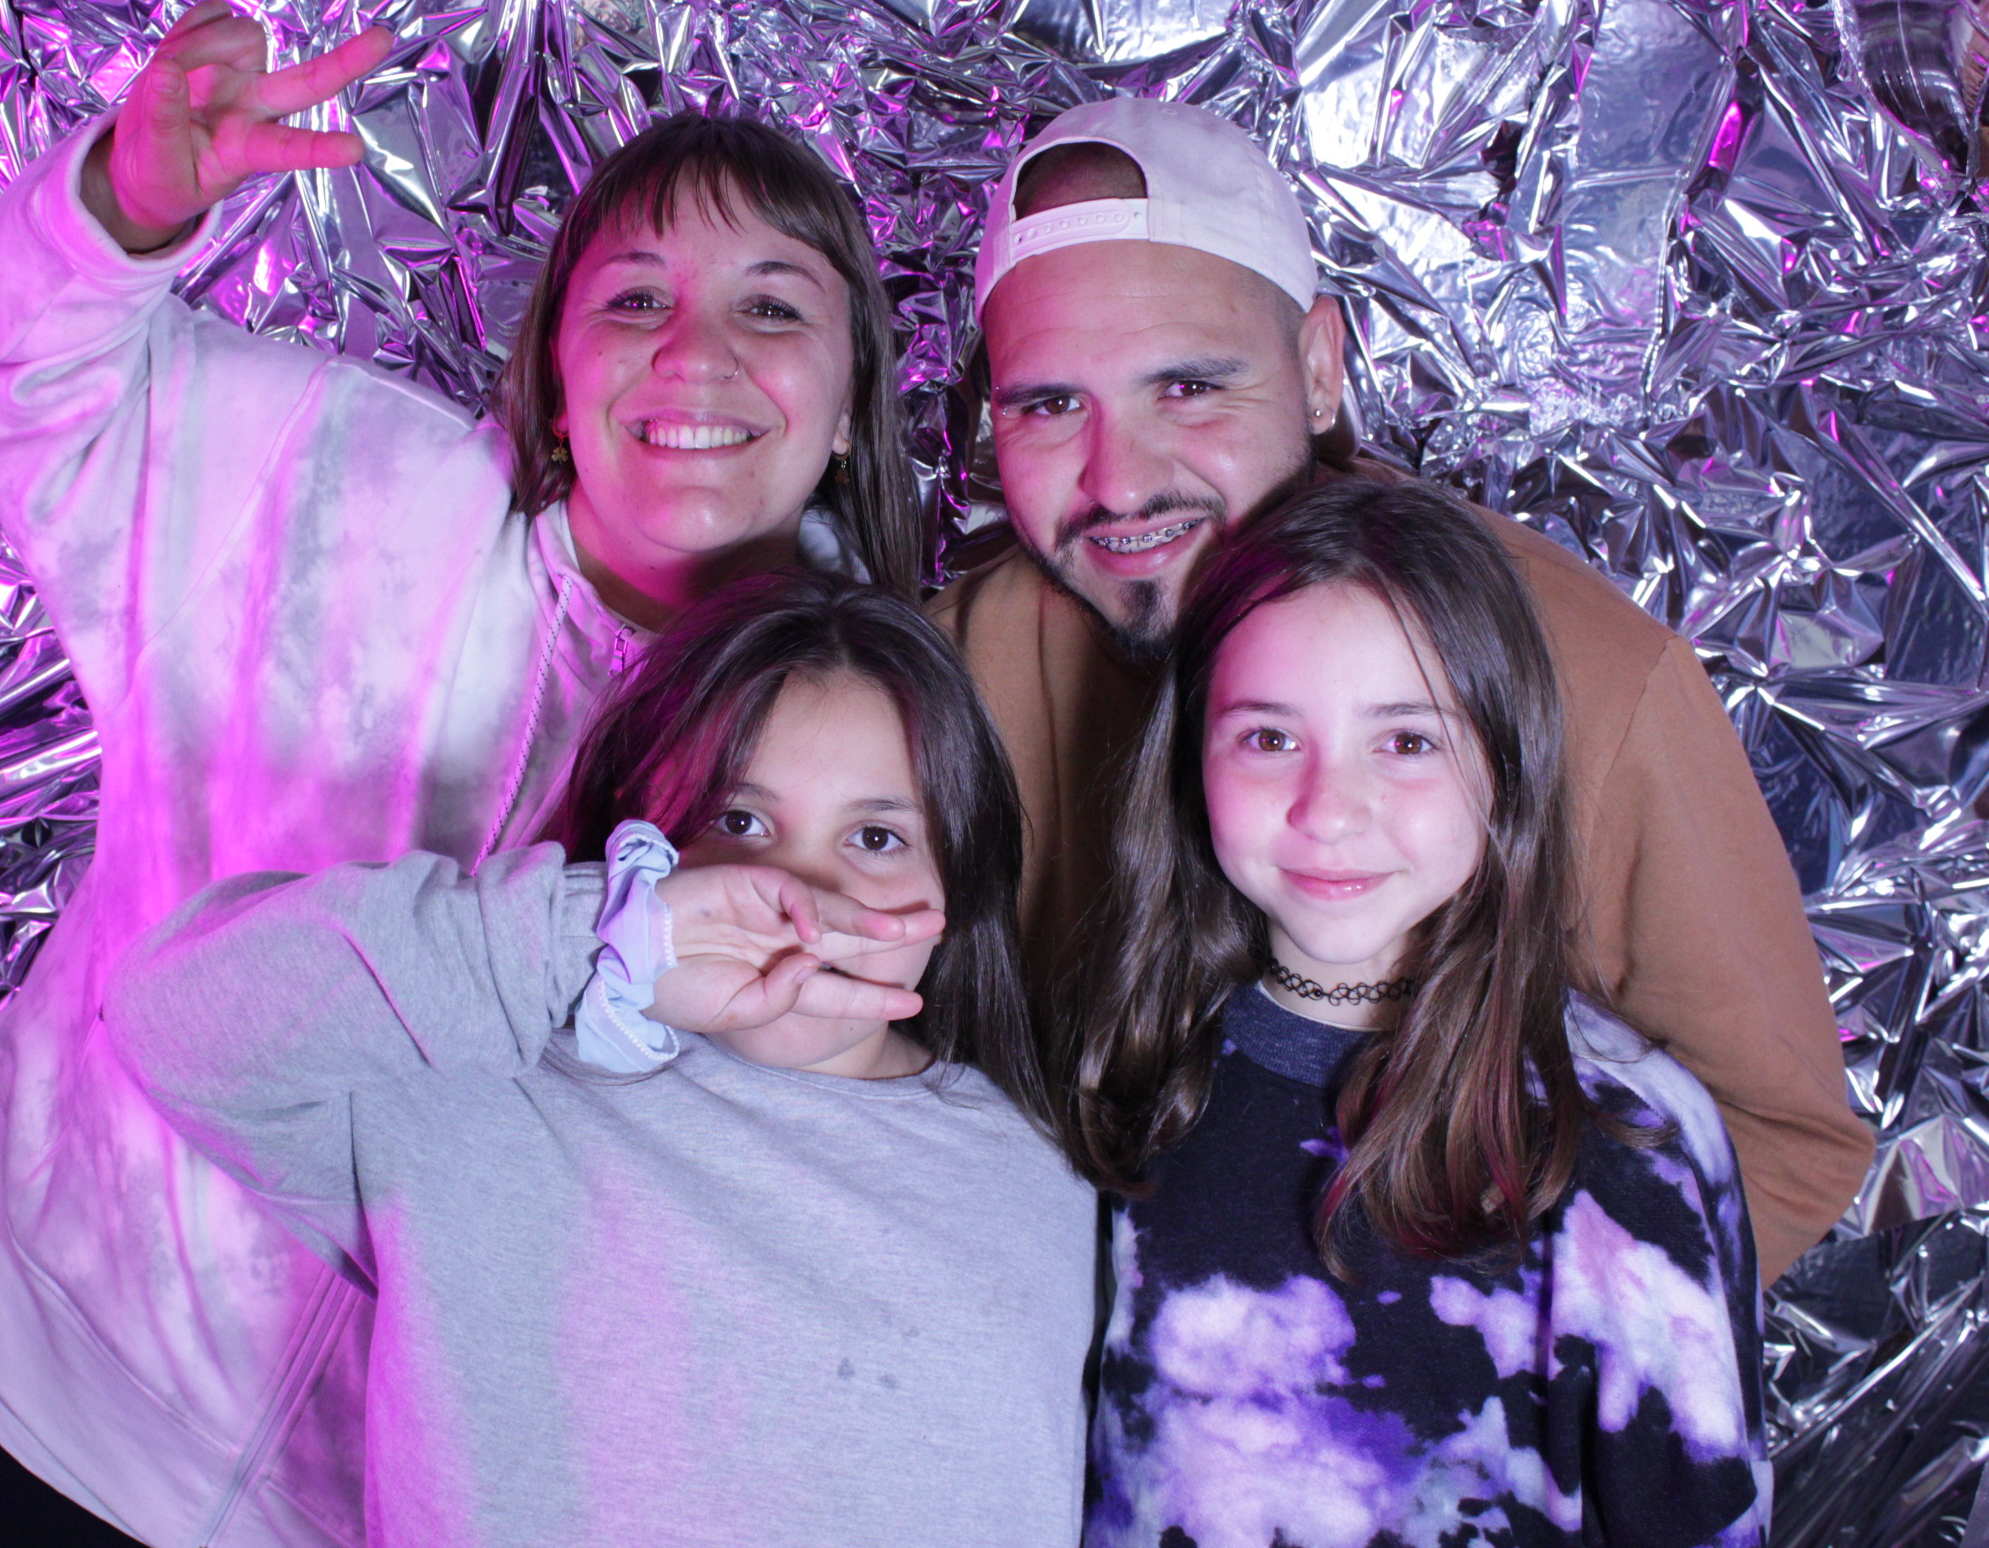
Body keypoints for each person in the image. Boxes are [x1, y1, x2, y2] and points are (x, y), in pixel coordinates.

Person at [0, 0, 925, 1547]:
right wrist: (121, 202)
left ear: (852, 402)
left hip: (392, 1503)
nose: (695, 353)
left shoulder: (879, 765)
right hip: (56, 1396)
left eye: (772, 307)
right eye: (635, 297)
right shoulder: (327, 479)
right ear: (557, 368)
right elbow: (25, 384)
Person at [926, 94, 1871, 1283]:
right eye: (1051, 405)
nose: (1119, 482)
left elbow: (1778, 1145)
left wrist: (1455, 1349)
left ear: (1319, 368)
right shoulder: (950, 668)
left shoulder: (1585, 676)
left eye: (1190, 386)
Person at [103, 571, 1094, 1548]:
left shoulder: (1042, 1176)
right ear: (643, 839)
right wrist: (603, 936)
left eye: (876, 837)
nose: (801, 896)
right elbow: (172, 1022)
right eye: (739, 822)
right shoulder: (474, 1085)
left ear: (958, 880)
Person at [1057, 476, 1767, 1547]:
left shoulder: (1623, 1139)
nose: (1329, 810)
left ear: (1505, 760)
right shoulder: (1128, 1068)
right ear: (1191, 754)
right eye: (1267, 738)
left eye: (1406, 741)